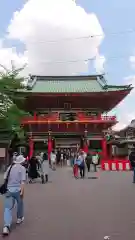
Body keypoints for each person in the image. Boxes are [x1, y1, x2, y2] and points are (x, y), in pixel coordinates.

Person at [2, 155, 26, 236]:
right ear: (22, 161)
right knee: (20, 203)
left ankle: (6, 226)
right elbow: (22, 182)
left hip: (9, 189)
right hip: (18, 190)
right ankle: (19, 218)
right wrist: (22, 192)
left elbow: (5, 177)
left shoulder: (10, 167)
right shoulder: (22, 168)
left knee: (7, 207)